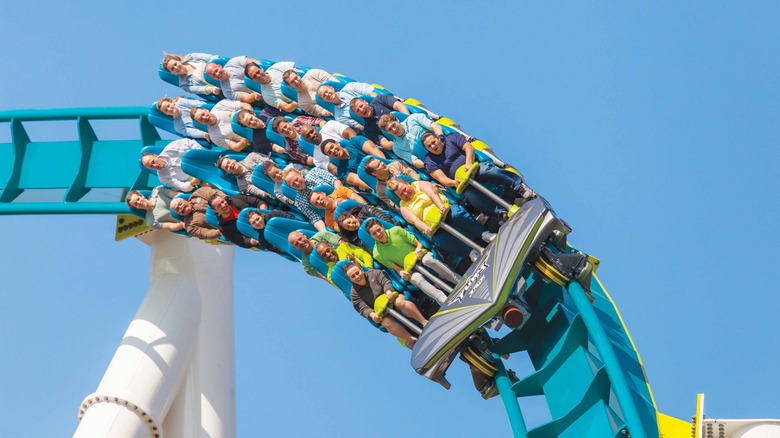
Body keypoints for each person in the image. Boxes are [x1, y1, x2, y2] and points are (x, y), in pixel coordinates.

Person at [422, 130, 531, 226]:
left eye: (433, 142)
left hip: (473, 168)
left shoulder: (451, 138)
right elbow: (441, 178)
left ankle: (519, 186)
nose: (433, 146)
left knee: (487, 171)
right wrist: (452, 182)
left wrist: (469, 162)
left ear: (438, 138)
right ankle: (501, 213)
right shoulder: (429, 161)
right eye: (429, 146)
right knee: (470, 195)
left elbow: (468, 148)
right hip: (461, 182)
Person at [387, 178, 493, 261]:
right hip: (434, 226)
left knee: (457, 215)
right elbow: (415, 221)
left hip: (445, 210)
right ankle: (470, 253)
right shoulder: (403, 207)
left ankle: (484, 234)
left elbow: (433, 194)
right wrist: (426, 228)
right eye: (401, 194)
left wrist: (441, 206)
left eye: (405, 189)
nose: (405, 194)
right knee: (442, 240)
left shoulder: (420, 185)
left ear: (407, 183)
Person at [366, 219, 459, 305]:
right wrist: (401, 272)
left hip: (419, 256)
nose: (378, 234)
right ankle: (444, 300)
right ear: (371, 236)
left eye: (379, 230)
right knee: (416, 279)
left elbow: (418, 243)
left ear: (382, 226)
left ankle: (456, 280)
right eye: (374, 233)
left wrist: (418, 249)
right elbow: (396, 268)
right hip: (409, 268)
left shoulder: (396, 230)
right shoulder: (377, 253)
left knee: (428, 260)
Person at [345, 263, 427, 347]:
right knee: (386, 323)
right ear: (350, 279)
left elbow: (385, 281)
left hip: (391, 299)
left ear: (361, 270)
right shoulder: (354, 293)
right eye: (353, 276)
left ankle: (424, 322)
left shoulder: (374, 273)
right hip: (382, 312)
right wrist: (372, 315)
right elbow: (362, 308)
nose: (357, 277)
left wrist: (388, 291)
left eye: (357, 273)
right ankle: (413, 339)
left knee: (399, 302)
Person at [282, 167, 343, 231]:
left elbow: (335, 181)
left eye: (296, 179)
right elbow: (315, 218)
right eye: (293, 184)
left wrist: (339, 198)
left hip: (342, 198)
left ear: (300, 174)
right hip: (333, 216)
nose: (297, 183)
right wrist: (324, 232)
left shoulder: (315, 172)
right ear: (291, 187)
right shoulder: (299, 201)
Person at [378, 113, 443, 168]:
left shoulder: (413, 118)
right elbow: (415, 161)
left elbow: (434, 126)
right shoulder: (397, 148)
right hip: (432, 160)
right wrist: (432, 165)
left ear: (397, 120)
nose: (394, 129)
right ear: (388, 132)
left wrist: (442, 138)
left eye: (393, 125)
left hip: (441, 145)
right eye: (390, 129)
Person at [319, 138, 384, 190]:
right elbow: (360, 181)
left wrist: (386, 165)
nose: (333, 151)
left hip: (384, 166)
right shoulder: (342, 172)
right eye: (329, 152)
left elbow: (373, 150)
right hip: (377, 183)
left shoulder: (355, 141)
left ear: (337, 143)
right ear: (330, 157)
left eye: (332, 147)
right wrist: (380, 186)